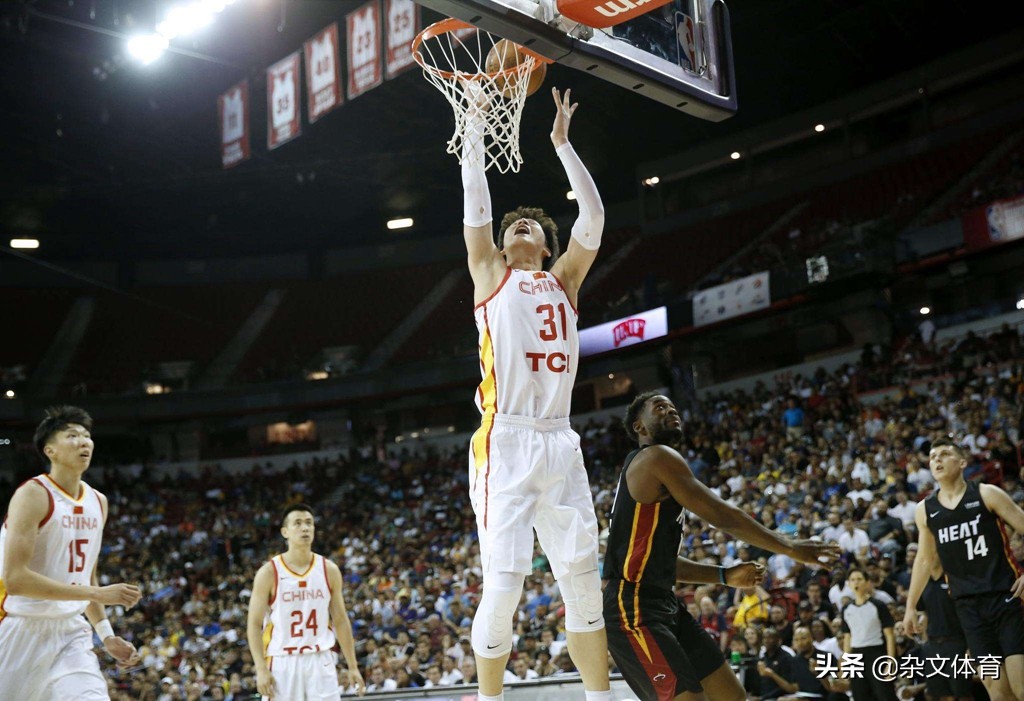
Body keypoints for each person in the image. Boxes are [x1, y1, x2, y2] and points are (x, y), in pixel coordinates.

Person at [460, 85, 608, 701]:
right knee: (505, 586)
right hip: (507, 438)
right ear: (500, 244)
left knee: (583, 584)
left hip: (559, 439)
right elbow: (475, 198)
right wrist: (472, 123)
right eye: (510, 225)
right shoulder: (489, 274)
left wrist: (563, 145)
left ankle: (601, 698)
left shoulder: (565, 280)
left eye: (533, 226)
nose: (519, 225)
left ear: (546, 247)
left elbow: (594, 218)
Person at [603, 392, 840, 701]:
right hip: (631, 609)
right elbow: (724, 517)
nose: (670, 410)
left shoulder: (657, 471)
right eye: (659, 407)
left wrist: (725, 576)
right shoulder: (655, 457)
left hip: (661, 601)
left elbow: (664, 563)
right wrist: (790, 547)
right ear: (639, 427)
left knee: (732, 696)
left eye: (672, 406)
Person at [0, 405, 143, 699]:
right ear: (49, 450)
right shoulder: (33, 494)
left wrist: (106, 635)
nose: (84, 442)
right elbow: (15, 580)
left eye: (87, 436)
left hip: (71, 633)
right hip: (17, 626)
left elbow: (85, 574)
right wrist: (97, 593)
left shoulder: (98, 501)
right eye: (72, 435)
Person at [903, 438, 1024, 700]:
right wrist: (910, 606)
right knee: (999, 693)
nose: (936, 459)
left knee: (1021, 686)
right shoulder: (925, 510)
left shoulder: (987, 494)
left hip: (1006, 597)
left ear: (961, 462)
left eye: (944, 454)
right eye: (933, 456)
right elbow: (924, 560)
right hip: (967, 608)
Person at [246, 503, 364, 700]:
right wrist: (261, 668)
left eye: (309, 523)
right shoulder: (269, 573)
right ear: (285, 532)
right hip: (283, 661)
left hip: (320, 658)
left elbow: (341, 620)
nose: (305, 528)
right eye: (298, 523)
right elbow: (254, 624)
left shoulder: (329, 570)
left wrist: (353, 666)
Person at [914, 561, 974, 701]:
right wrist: (925, 641)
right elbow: (924, 613)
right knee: (940, 693)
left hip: (957, 642)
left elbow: (966, 613)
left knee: (963, 693)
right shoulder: (923, 583)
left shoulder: (954, 579)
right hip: (933, 644)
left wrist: (970, 645)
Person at [840, 568, 898, 701]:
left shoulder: (878, 605)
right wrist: (845, 663)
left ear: (867, 582)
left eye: (859, 579)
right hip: (855, 656)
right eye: (853, 580)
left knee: (885, 694)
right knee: (859, 695)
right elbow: (847, 637)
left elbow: (889, 635)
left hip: (876, 652)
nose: (856, 583)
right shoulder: (846, 609)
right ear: (848, 584)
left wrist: (890, 661)